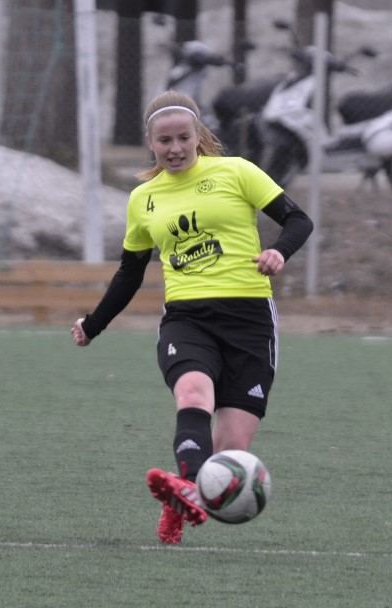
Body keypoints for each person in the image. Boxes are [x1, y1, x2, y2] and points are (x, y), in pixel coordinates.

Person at [71, 90, 313, 544]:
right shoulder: (143, 198)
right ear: (150, 143)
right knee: (193, 392)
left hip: (249, 320)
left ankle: (185, 498)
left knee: (230, 453)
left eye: (184, 137)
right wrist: (94, 323)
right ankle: (186, 487)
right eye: (165, 140)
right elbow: (130, 272)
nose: (176, 148)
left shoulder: (236, 172)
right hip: (188, 318)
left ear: (198, 135)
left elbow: (298, 220)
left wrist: (279, 252)